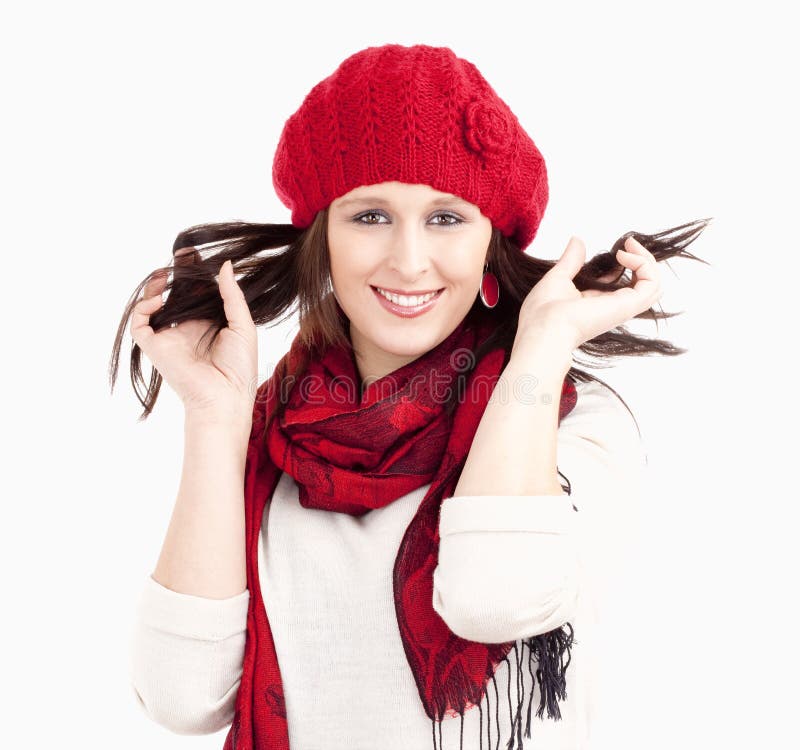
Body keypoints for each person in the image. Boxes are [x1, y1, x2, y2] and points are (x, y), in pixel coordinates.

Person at [110, 43, 709, 750]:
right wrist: (215, 419)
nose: (408, 260)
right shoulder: (270, 433)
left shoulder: (570, 421)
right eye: (370, 216)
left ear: (491, 240)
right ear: (323, 237)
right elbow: (183, 699)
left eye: (446, 218)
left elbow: (494, 599)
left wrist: (540, 351)